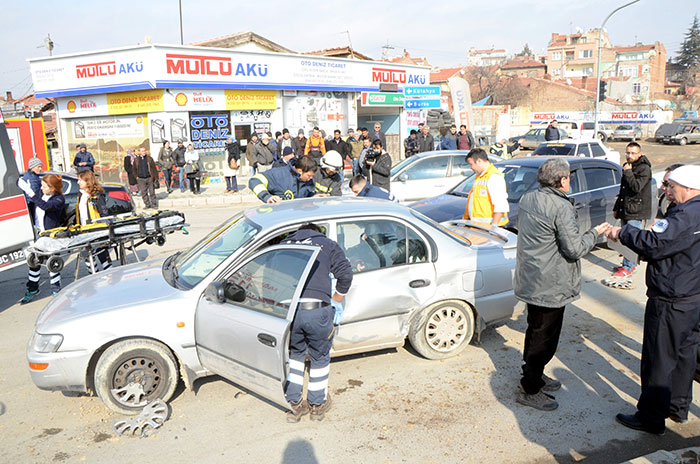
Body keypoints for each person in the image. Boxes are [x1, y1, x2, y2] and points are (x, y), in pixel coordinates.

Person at [606, 165, 700, 435]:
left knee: (659, 359)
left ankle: (650, 417)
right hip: (692, 294)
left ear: (690, 189)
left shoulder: (684, 216)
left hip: (671, 298)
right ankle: (677, 407)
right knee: (685, 354)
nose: (666, 191)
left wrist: (620, 233)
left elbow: (653, 242)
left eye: (672, 187)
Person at [514, 158, 610, 411]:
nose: (570, 180)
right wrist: (595, 233)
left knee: (535, 330)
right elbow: (574, 248)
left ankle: (534, 374)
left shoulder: (528, 198)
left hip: (532, 276)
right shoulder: (560, 206)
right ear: (562, 180)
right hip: (550, 282)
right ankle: (530, 387)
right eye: (569, 177)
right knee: (544, 338)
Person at [282, 223, 353, 422]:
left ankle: (295, 405)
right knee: (319, 357)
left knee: (295, 355)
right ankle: (317, 405)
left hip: (290, 311)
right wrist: (336, 299)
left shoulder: (285, 244)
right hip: (317, 311)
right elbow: (345, 274)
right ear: (317, 231)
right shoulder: (327, 244)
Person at [18, 174, 66, 303]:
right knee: (34, 262)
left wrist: (31, 193)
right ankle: (32, 288)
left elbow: (46, 206)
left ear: (52, 188)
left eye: (44, 186)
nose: (42, 188)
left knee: (52, 263)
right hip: (39, 235)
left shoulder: (59, 199)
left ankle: (56, 290)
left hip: (51, 236)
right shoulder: (42, 194)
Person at [609, 142, 652, 280]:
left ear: (639, 154)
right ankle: (626, 264)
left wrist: (628, 172)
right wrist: (617, 208)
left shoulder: (644, 169)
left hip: (636, 210)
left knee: (632, 238)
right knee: (625, 238)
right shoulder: (628, 166)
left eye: (633, 153)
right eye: (627, 152)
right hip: (626, 208)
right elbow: (623, 191)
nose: (629, 155)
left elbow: (636, 188)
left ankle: (629, 267)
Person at [76, 170, 113, 274]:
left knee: (101, 253)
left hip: (96, 230)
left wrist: (105, 228)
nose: (78, 182)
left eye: (80, 180)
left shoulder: (97, 195)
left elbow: (103, 213)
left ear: (87, 181)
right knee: (86, 255)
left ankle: (110, 274)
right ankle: (93, 275)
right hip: (84, 230)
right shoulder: (81, 195)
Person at [463, 148, 509, 227]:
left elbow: (500, 205)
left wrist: (493, 228)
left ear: (479, 161)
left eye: (471, 164)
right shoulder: (480, 176)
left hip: (487, 229)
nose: (470, 167)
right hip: (479, 227)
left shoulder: (493, 177)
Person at [248, 156, 317, 203]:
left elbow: (306, 194)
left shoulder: (308, 181)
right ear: (299, 171)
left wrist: (314, 197)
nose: (311, 178)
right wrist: (267, 197)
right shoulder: (279, 175)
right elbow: (255, 180)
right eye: (309, 175)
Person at [21, 157, 43, 227]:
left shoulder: (31, 176)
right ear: (32, 167)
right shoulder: (32, 179)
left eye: (41, 167)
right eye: (38, 167)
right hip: (33, 204)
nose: (40, 169)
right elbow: (35, 194)